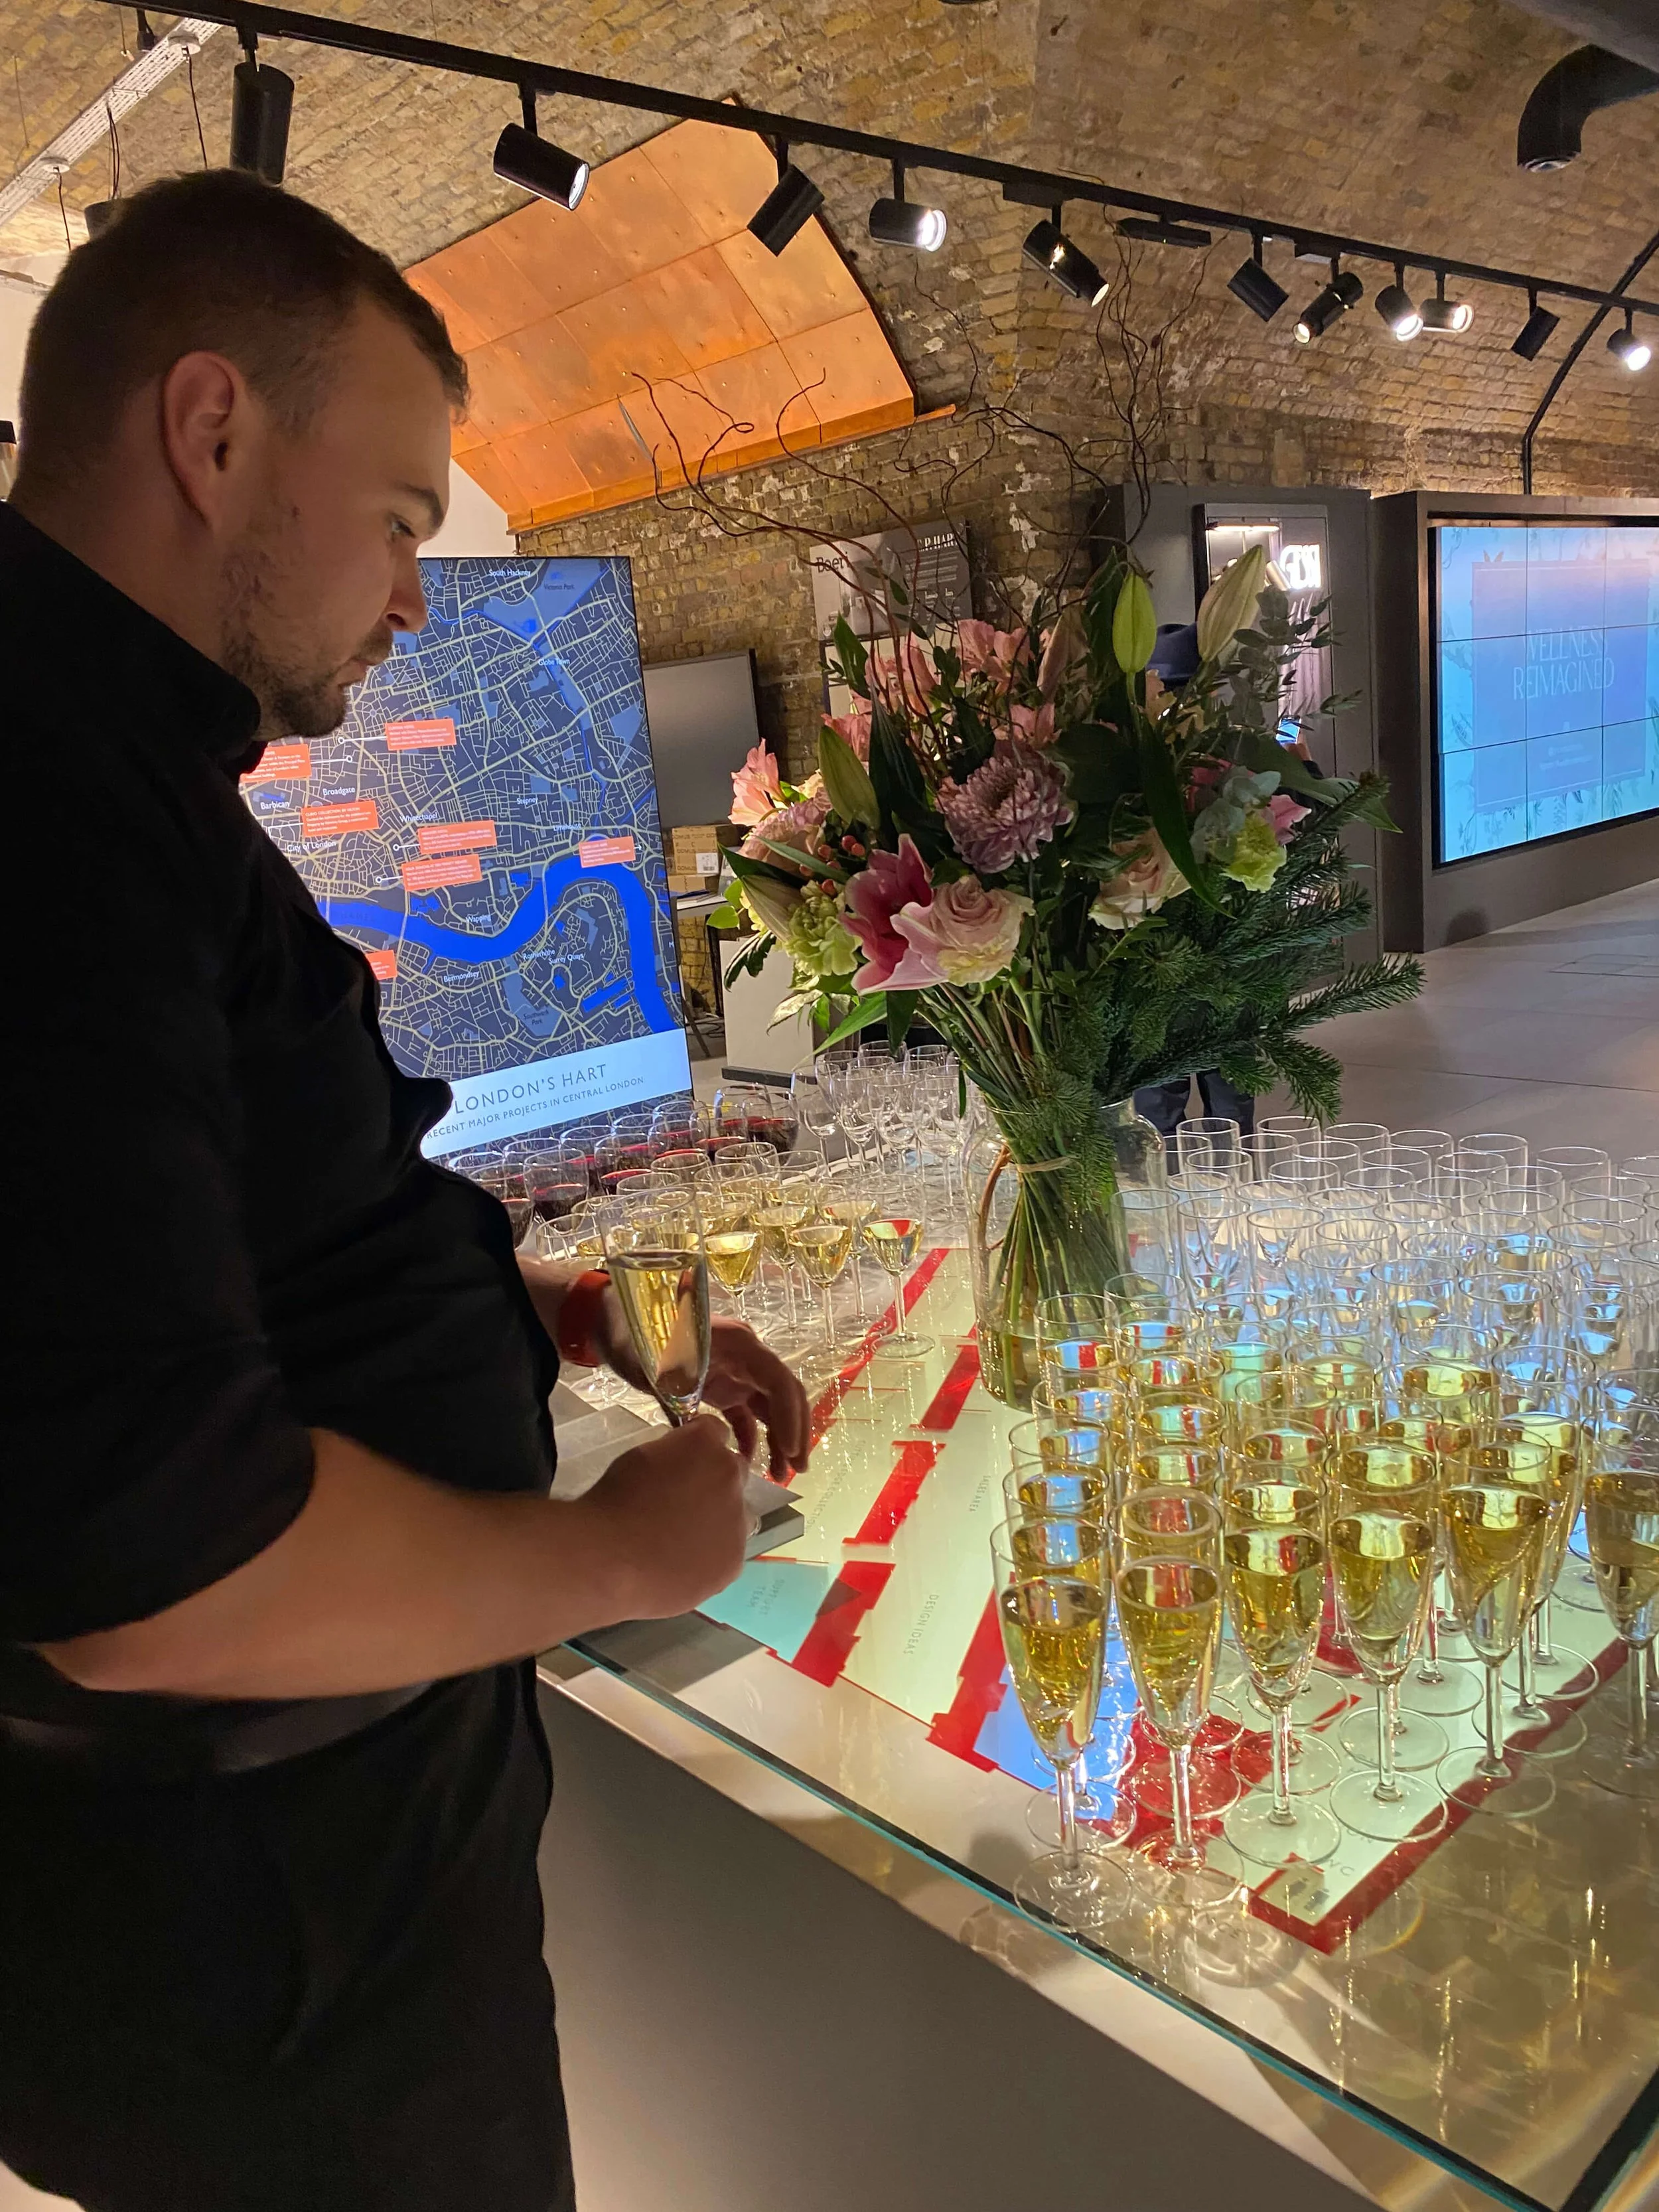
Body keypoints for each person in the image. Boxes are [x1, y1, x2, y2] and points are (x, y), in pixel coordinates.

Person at [0, 170, 808, 2212]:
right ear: (210, 431)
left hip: (275, 1915)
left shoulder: (115, 749)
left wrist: (504, 1305)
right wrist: (624, 1557)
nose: (419, 594)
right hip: (272, 1956)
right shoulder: (58, 799)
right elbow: (147, 1561)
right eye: (399, 517)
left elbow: (180, 1220)